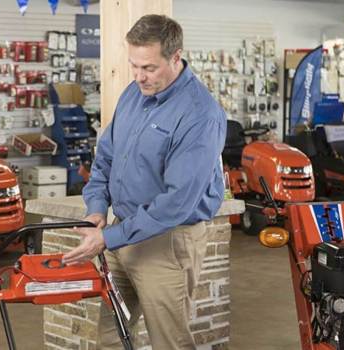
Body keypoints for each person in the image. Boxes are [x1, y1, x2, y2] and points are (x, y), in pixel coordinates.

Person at [62, 14, 227, 349]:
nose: (139, 76)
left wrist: (108, 237)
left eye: (149, 68)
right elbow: (106, 157)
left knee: (169, 341)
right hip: (120, 235)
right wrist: (96, 209)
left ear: (176, 57)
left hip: (166, 243)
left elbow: (176, 202)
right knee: (111, 337)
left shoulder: (200, 114)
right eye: (134, 66)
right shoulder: (132, 95)